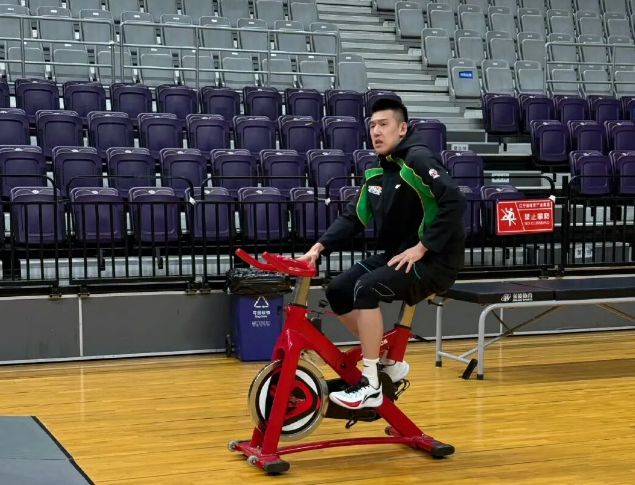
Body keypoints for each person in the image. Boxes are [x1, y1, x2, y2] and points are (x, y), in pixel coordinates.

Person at [300, 98, 467, 410]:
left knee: (366, 288)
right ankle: (384, 359)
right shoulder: (377, 171)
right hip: (399, 255)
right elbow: (354, 217)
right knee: (338, 290)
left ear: (402, 129)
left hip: (435, 260)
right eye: (372, 125)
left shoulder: (417, 159)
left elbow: (455, 201)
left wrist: (424, 245)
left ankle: (371, 383)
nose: (376, 131)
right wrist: (319, 247)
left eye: (384, 124)